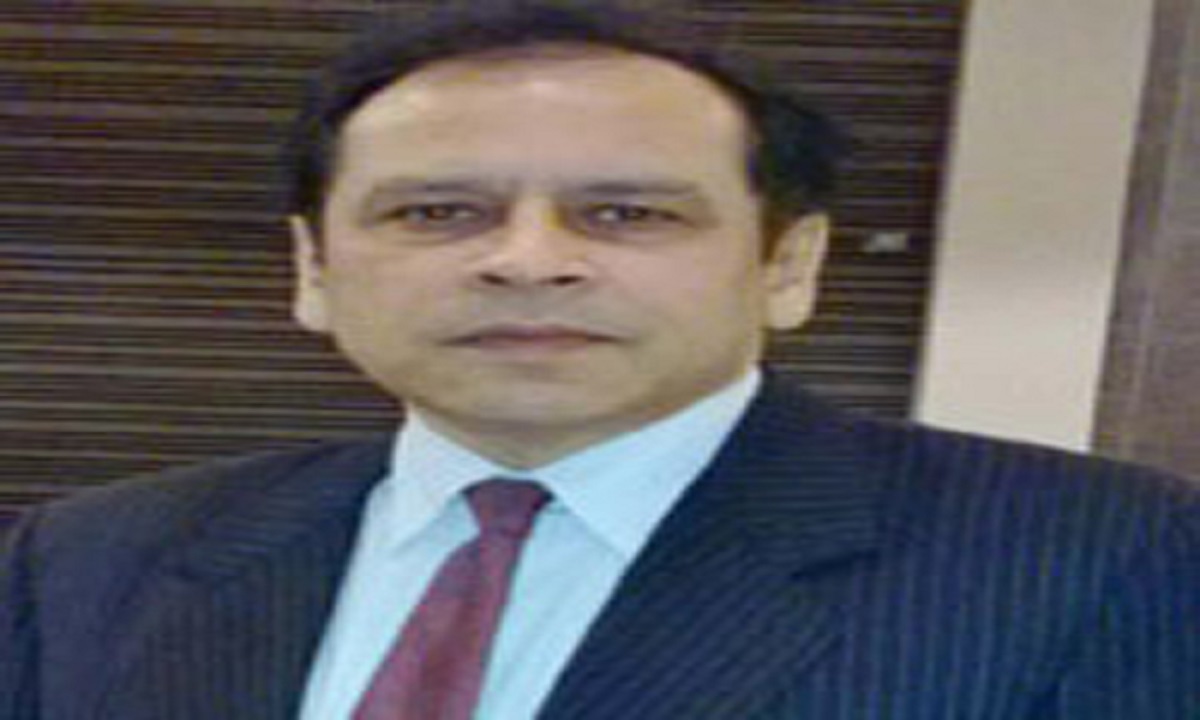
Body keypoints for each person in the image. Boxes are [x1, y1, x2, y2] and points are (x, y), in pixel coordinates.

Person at [2, 3, 1197, 719]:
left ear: (788, 265)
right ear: (314, 269)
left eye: (627, 214)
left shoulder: (1098, 557)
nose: (527, 262)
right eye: (437, 213)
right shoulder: (91, 559)